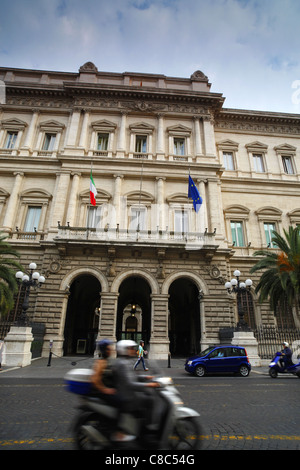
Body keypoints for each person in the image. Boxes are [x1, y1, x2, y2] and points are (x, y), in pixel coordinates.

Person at [91, 339, 133, 442]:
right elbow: (94, 379)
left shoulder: (106, 361)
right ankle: (117, 432)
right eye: (109, 349)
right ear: (104, 350)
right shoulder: (100, 362)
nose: (111, 350)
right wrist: (105, 390)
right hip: (102, 393)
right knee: (122, 402)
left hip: (109, 390)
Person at [113, 340, 160, 433]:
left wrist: (146, 377)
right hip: (127, 396)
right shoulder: (123, 363)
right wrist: (149, 384)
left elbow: (133, 376)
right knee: (149, 400)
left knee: (147, 398)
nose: (133, 350)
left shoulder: (126, 361)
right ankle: (147, 428)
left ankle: (140, 423)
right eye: (130, 349)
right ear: (124, 350)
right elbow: (131, 384)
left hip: (127, 393)